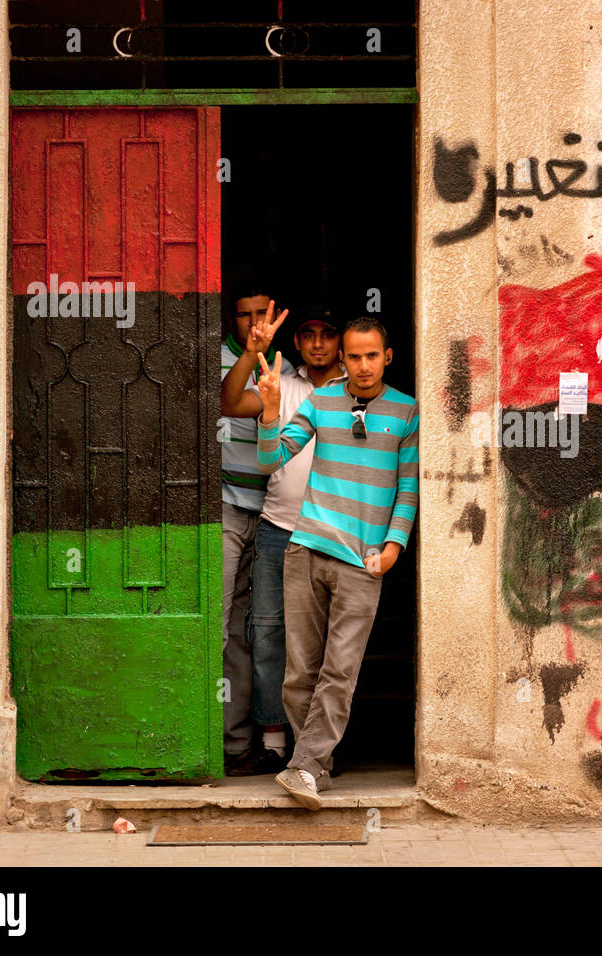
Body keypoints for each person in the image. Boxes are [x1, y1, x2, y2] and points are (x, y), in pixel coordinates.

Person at [255, 317, 418, 810]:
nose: (363, 365)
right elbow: (271, 459)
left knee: (339, 669)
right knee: (298, 671)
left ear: (387, 357)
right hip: (306, 548)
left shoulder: (406, 411)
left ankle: (302, 766)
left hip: (364, 561)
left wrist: (393, 548)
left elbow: (407, 488)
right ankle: (315, 767)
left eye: (372, 356)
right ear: (341, 360)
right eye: (354, 356)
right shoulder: (322, 402)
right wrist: (267, 412)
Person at [220, 302, 346, 775]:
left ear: (339, 342)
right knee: (269, 635)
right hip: (277, 529)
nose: (317, 343)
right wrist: (253, 353)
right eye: (308, 335)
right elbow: (230, 404)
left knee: (330, 643)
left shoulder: (355, 391)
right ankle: (274, 741)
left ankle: (317, 746)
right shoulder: (281, 384)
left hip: (333, 532)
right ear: (296, 343)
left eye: (326, 334)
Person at [219, 281, 293, 772]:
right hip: (225, 507)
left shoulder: (293, 371)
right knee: (221, 625)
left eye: (259, 313)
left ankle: (246, 742)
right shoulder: (220, 359)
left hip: (271, 514)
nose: (253, 323)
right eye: (243, 315)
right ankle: (220, 741)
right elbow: (228, 400)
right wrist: (250, 354)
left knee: (258, 631)